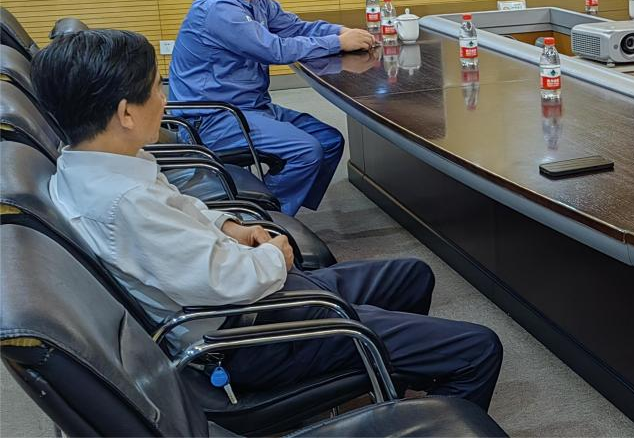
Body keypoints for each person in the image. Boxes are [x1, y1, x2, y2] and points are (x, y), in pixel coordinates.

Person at [34, 30, 502, 409]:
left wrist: (229, 227)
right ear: (125, 113)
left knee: (411, 275)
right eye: (157, 87)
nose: (165, 97)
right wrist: (276, 255)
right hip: (250, 337)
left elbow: (180, 210)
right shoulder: (126, 201)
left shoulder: (90, 165)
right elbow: (229, 281)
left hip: (246, 302)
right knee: (477, 348)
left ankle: (383, 388)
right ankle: (417, 403)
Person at [168, 0, 377, 215]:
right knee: (306, 150)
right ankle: (263, 221)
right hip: (213, 117)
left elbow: (295, 28)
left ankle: (276, 206)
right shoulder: (217, 9)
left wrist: (340, 31)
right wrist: (337, 42)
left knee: (328, 140)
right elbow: (274, 50)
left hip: (251, 106)